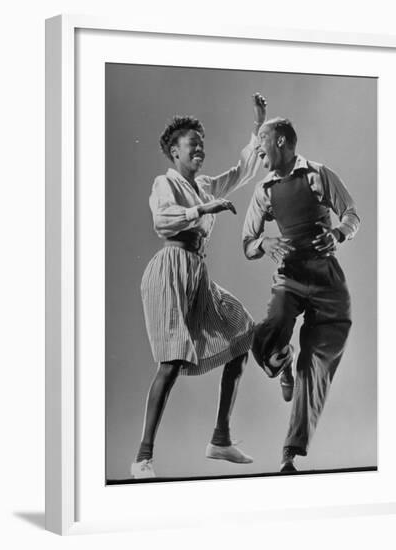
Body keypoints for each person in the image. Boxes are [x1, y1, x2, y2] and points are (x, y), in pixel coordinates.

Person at [131, 93, 267, 479]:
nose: (200, 150)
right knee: (171, 362)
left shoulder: (205, 184)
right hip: (170, 270)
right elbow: (163, 221)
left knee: (242, 334)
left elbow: (242, 171)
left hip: (197, 274)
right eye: (193, 145)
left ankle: (220, 438)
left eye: (202, 145)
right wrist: (202, 210)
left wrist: (258, 126)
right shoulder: (165, 183)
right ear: (174, 152)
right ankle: (143, 456)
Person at [242, 115, 360, 472]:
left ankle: (289, 454)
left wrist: (338, 234)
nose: (260, 155)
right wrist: (265, 241)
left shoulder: (318, 174)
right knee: (268, 330)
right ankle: (282, 360)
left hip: (326, 283)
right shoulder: (264, 190)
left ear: (280, 141)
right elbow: (246, 244)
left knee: (315, 370)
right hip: (289, 278)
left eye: (262, 146)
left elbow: (352, 213)